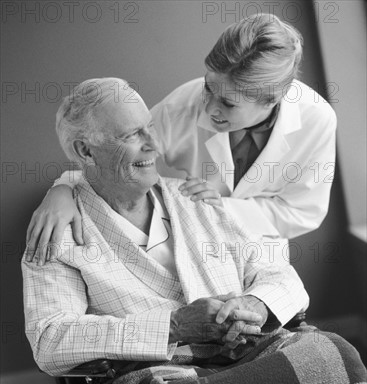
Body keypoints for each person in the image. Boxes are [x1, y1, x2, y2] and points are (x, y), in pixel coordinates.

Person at [22, 79, 366, 384]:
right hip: (157, 374)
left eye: (149, 128)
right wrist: (175, 326)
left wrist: (257, 304)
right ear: (85, 150)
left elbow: (278, 273)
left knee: (332, 355)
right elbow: (51, 339)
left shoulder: (195, 196)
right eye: (131, 136)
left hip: (243, 347)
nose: (152, 144)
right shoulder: (57, 232)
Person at [25, 13, 337, 265]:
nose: (210, 107)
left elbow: (303, 212)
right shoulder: (182, 107)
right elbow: (118, 155)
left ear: (272, 99)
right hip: (193, 254)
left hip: (263, 253)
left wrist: (219, 206)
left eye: (228, 104)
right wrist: (63, 190)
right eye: (208, 87)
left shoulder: (317, 120)